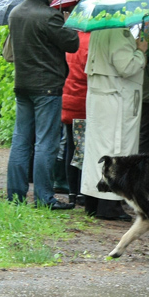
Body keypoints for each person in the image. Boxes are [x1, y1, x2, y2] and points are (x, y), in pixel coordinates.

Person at [6, 0, 80, 209]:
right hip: (47, 87)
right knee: (46, 143)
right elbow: (73, 43)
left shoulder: (16, 13)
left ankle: (15, 196)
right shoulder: (50, 16)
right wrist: (67, 22)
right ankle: (44, 198)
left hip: (22, 85)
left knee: (20, 140)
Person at [80, 27, 148, 219]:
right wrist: (140, 51)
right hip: (117, 98)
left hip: (101, 96)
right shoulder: (120, 31)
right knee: (117, 148)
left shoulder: (99, 29)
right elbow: (126, 67)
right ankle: (109, 204)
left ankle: (93, 201)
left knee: (97, 150)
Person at [61, 30, 90, 207]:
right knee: (84, 150)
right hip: (83, 102)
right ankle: (82, 191)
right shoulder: (92, 41)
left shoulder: (71, 39)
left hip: (68, 98)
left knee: (71, 148)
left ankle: (72, 191)